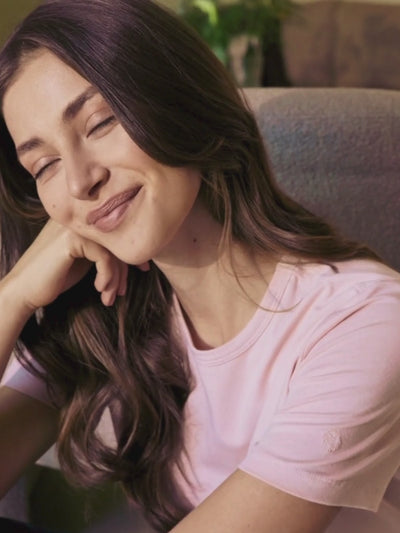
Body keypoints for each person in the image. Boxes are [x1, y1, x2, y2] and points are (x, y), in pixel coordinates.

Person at [0, 0, 399, 532]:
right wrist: (14, 295)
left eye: (101, 122)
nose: (79, 181)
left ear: (180, 99)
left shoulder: (364, 323)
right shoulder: (104, 318)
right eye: (44, 165)